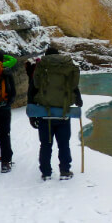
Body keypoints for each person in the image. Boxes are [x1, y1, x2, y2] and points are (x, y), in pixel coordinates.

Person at [26, 48, 83, 181]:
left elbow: (33, 90)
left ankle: (46, 172)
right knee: (63, 144)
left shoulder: (42, 67)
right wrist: (78, 100)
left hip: (45, 114)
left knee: (45, 145)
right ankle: (65, 171)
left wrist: (32, 114)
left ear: (46, 56)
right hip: (63, 113)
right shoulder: (66, 67)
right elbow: (73, 86)